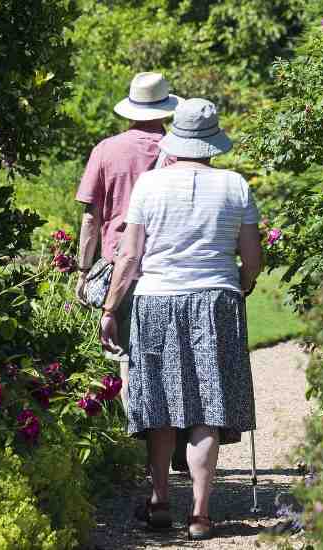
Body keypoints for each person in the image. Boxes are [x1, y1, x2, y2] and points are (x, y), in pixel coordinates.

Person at [99, 98, 262, 540]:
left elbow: (129, 255)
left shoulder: (149, 186)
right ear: (212, 141)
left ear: (177, 137)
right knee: (208, 406)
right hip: (215, 301)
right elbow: (252, 257)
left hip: (156, 301)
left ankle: (159, 503)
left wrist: (111, 309)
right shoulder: (235, 186)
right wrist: (241, 285)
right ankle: (201, 514)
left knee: (160, 405)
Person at [74, 71, 190, 472]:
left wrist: (83, 269)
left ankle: (140, 444)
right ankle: (175, 438)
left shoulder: (106, 150)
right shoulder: (179, 153)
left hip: (118, 266)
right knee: (172, 357)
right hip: (166, 267)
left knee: (128, 357)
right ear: (165, 110)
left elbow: (92, 218)